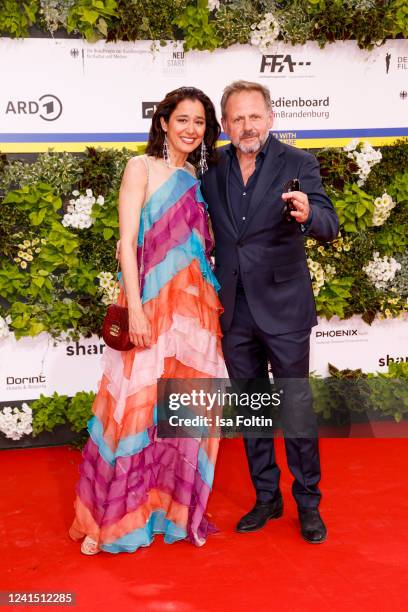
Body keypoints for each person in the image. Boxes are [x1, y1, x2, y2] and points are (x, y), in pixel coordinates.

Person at [69, 87, 227, 555]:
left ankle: (164, 510)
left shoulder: (198, 177)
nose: (190, 129)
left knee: (181, 414)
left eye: (199, 122)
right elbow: (128, 246)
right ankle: (109, 519)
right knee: (133, 410)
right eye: (182, 120)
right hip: (151, 308)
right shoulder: (140, 168)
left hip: (193, 315)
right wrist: (136, 309)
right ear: (163, 123)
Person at [200, 80, 339, 544]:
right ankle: (266, 496)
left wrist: (307, 214)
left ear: (271, 118)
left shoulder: (297, 163)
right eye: (237, 118)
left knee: (295, 407)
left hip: (284, 308)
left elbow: (328, 223)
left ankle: (308, 502)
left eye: (254, 116)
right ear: (225, 124)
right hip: (234, 311)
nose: (247, 126)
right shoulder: (213, 167)